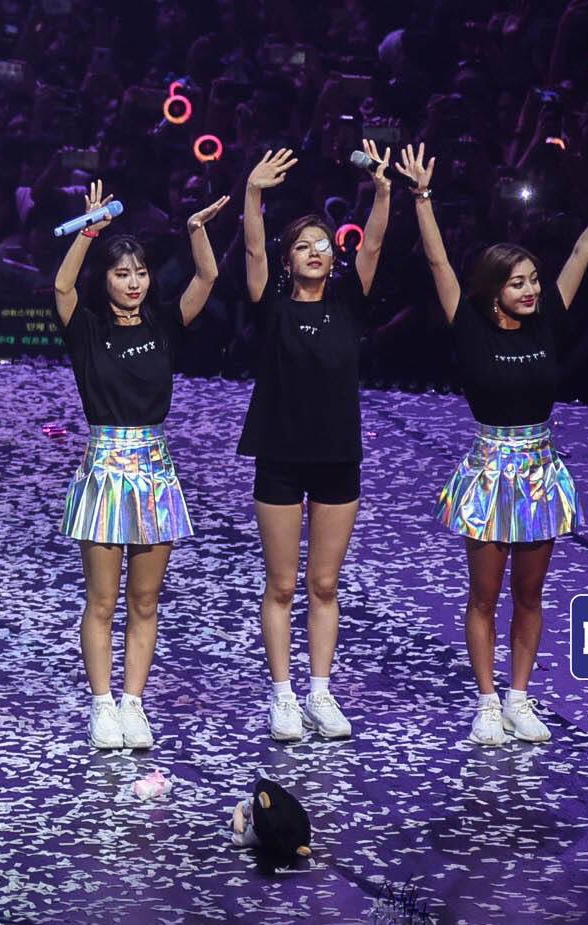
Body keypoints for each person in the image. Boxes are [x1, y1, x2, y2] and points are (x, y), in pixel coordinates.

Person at [397, 144, 588, 745]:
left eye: (533, 280)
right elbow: (438, 261)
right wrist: (421, 197)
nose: (531, 290)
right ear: (493, 290)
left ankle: (519, 698)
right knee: (484, 595)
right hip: (489, 471)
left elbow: (582, 252)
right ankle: (486, 702)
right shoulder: (470, 327)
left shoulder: (547, 319)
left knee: (529, 594)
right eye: (518, 282)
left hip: (538, 472)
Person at [50, 181, 229, 749]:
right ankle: (102, 705)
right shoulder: (86, 329)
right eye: (122, 274)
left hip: (154, 470)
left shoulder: (162, 325)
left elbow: (208, 278)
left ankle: (133, 702)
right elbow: (61, 285)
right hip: (104, 470)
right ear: (105, 279)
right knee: (103, 600)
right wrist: (87, 233)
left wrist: (196, 231)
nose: (133, 283)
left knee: (146, 600)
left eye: (141, 273)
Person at [238, 143, 393, 742]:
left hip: (337, 459)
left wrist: (383, 192)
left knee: (324, 584)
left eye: (322, 244)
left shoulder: (349, 304)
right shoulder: (272, 305)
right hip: (280, 457)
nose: (314, 251)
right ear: (289, 260)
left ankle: (320, 693)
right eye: (302, 245)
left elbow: (372, 246)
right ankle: (282, 696)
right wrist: (254, 192)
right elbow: (253, 249)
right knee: (282, 585)